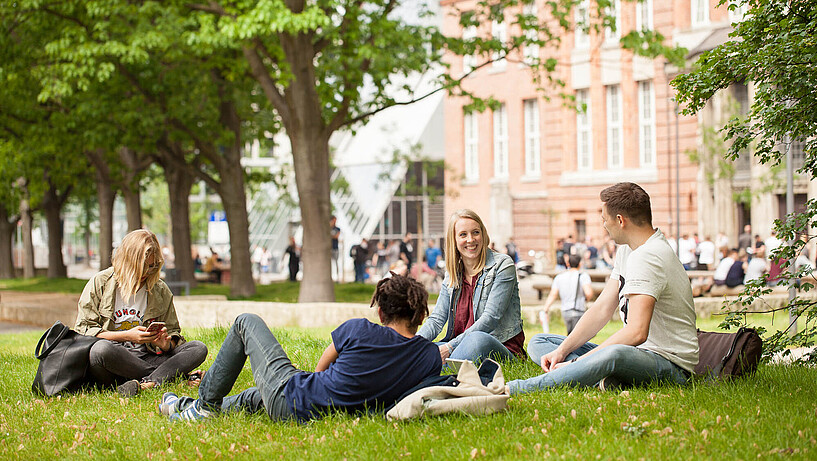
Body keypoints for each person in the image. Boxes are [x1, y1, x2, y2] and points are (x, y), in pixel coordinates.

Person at [161, 274, 441, 422]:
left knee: (246, 322)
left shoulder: (359, 329)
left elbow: (324, 364)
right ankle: (183, 407)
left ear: (381, 313)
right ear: (420, 315)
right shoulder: (429, 357)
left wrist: (313, 385)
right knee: (254, 397)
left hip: (297, 401)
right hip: (321, 410)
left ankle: (205, 407)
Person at [508, 183, 698, 394]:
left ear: (620, 220)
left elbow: (637, 332)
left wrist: (576, 362)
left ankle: (519, 388)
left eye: (604, 220)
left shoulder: (650, 256)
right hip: (636, 355)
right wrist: (562, 352)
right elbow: (602, 309)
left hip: (669, 366)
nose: (604, 226)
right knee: (541, 342)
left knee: (612, 354)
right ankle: (602, 376)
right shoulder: (629, 250)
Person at [75, 229, 208, 397]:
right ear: (128, 261)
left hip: (146, 356)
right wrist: (126, 336)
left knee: (197, 348)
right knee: (100, 351)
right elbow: (83, 331)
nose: (148, 272)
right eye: (144, 267)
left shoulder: (159, 289)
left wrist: (166, 344)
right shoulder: (101, 282)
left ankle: (146, 383)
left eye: (153, 266)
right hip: (111, 361)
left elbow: (174, 333)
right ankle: (173, 377)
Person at [418, 209, 525, 365]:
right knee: (423, 350)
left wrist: (449, 347)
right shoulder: (452, 272)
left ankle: (431, 367)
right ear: (453, 239)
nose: (470, 239)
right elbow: (437, 319)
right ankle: (431, 365)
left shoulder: (502, 265)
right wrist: (413, 344)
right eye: (463, 234)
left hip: (498, 346)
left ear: (483, 234)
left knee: (476, 339)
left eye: (475, 232)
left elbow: (490, 319)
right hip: (458, 346)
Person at [542, 254, 594, 335]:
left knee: (571, 335)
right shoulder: (583, 276)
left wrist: (545, 309)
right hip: (578, 310)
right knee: (580, 337)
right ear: (580, 264)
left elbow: (553, 294)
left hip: (565, 311)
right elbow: (588, 293)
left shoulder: (559, 277)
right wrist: (586, 299)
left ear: (568, 264)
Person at [330, 215, 341, 281]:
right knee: (329, 264)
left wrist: (331, 236)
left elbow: (336, 236)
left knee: (336, 262)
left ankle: (337, 278)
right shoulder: (328, 228)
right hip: (329, 248)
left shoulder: (337, 229)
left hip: (335, 248)